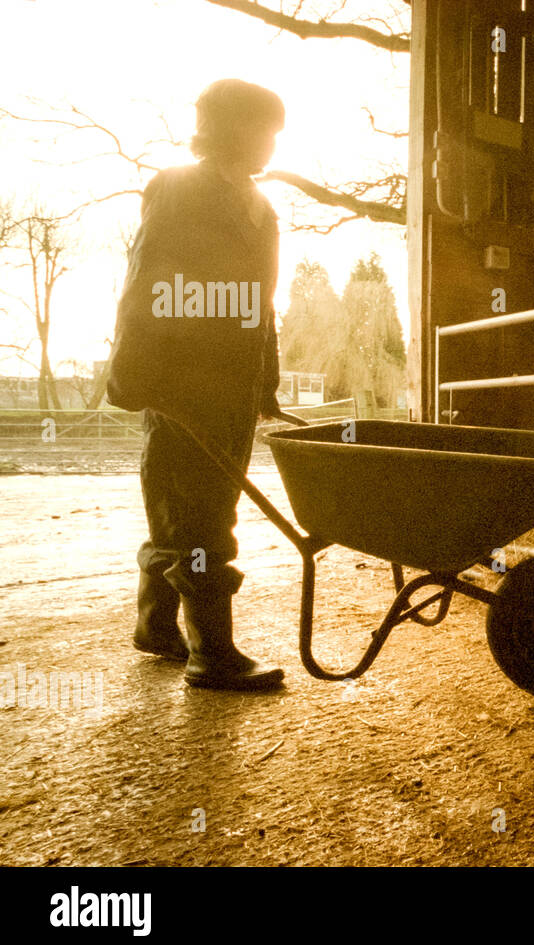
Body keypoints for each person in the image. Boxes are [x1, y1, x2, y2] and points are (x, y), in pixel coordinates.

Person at [107, 79, 287, 690]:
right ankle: (213, 652)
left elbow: (261, 307)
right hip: (181, 385)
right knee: (201, 520)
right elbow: (145, 279)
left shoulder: (262, 209)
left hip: (232, 391)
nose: (270, 142)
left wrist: (266, 384)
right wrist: (132, 374)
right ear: (229, 126)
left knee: (182, 512)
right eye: (262, 128)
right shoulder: (178, 189)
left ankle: (157, 627)